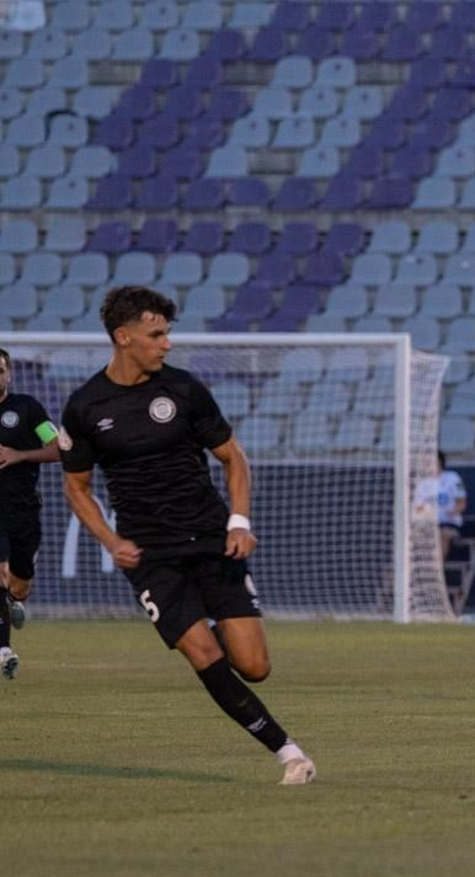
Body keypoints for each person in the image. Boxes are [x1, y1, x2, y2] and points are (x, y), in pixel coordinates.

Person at [59, 286, 315, 785]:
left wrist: (239, 522)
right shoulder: (86, 406)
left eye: (167, 334)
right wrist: (111, 541)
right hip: (151, 554)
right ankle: (288, 752)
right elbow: (77, 487)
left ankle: (213, 630)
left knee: (255, 666)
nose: (166, 344)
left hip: (211, 540)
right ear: (124, 337)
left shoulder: (184, 390)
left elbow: (232, 457)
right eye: (157, 335)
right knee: (202, 654)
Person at [0, 346, 63, 680]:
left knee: (18, 584)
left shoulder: (26, 409)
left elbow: (58, 450)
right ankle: (4, 651)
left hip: (22, 509)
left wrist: (17, 455)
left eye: (0, 369)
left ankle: (13, 600)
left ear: (8, 373)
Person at [412, 450, 467, 563]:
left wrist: (452, 512)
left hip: (449, 523)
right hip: (429, 524)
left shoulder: (452, 478)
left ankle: (438, 566)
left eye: (433, 462)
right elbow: (417, 509)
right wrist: (428, 513)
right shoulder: (423, 483)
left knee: (442, 533)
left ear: (440, 462)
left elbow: (462, 503)